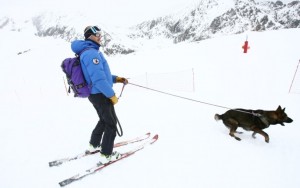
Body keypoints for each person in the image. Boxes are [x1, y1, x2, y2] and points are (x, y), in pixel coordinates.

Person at [71, 26, 128, 163]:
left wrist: (117, 79)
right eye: (97, 34)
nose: (100, 37)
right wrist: (111, 95)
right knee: (111, 124)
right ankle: (106, 154)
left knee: (104, 120)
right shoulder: (91, 54)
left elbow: (101, 75)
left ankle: (94, 145)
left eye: (100, 34)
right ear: (90, 36)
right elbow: (98, 79)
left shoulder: (88, 52)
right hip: (101, 94)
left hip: (96, 94)